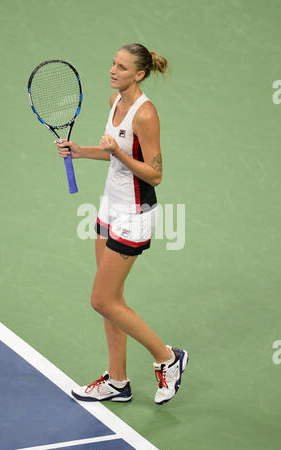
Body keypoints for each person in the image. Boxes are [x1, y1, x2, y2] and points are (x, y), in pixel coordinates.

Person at [56, 43, 188, 405]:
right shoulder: (115, 102)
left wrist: (118, 152)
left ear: (140, 74)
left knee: (101, 299)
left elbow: (155, 174)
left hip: (135, 214)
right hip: (108, 207)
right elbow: (113, 153)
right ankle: (117, 382)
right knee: (111, 299)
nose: (113, 71)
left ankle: (168, 358)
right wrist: (82, 151)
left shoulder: (146, 115)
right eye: (113, 63)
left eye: (123, 67)